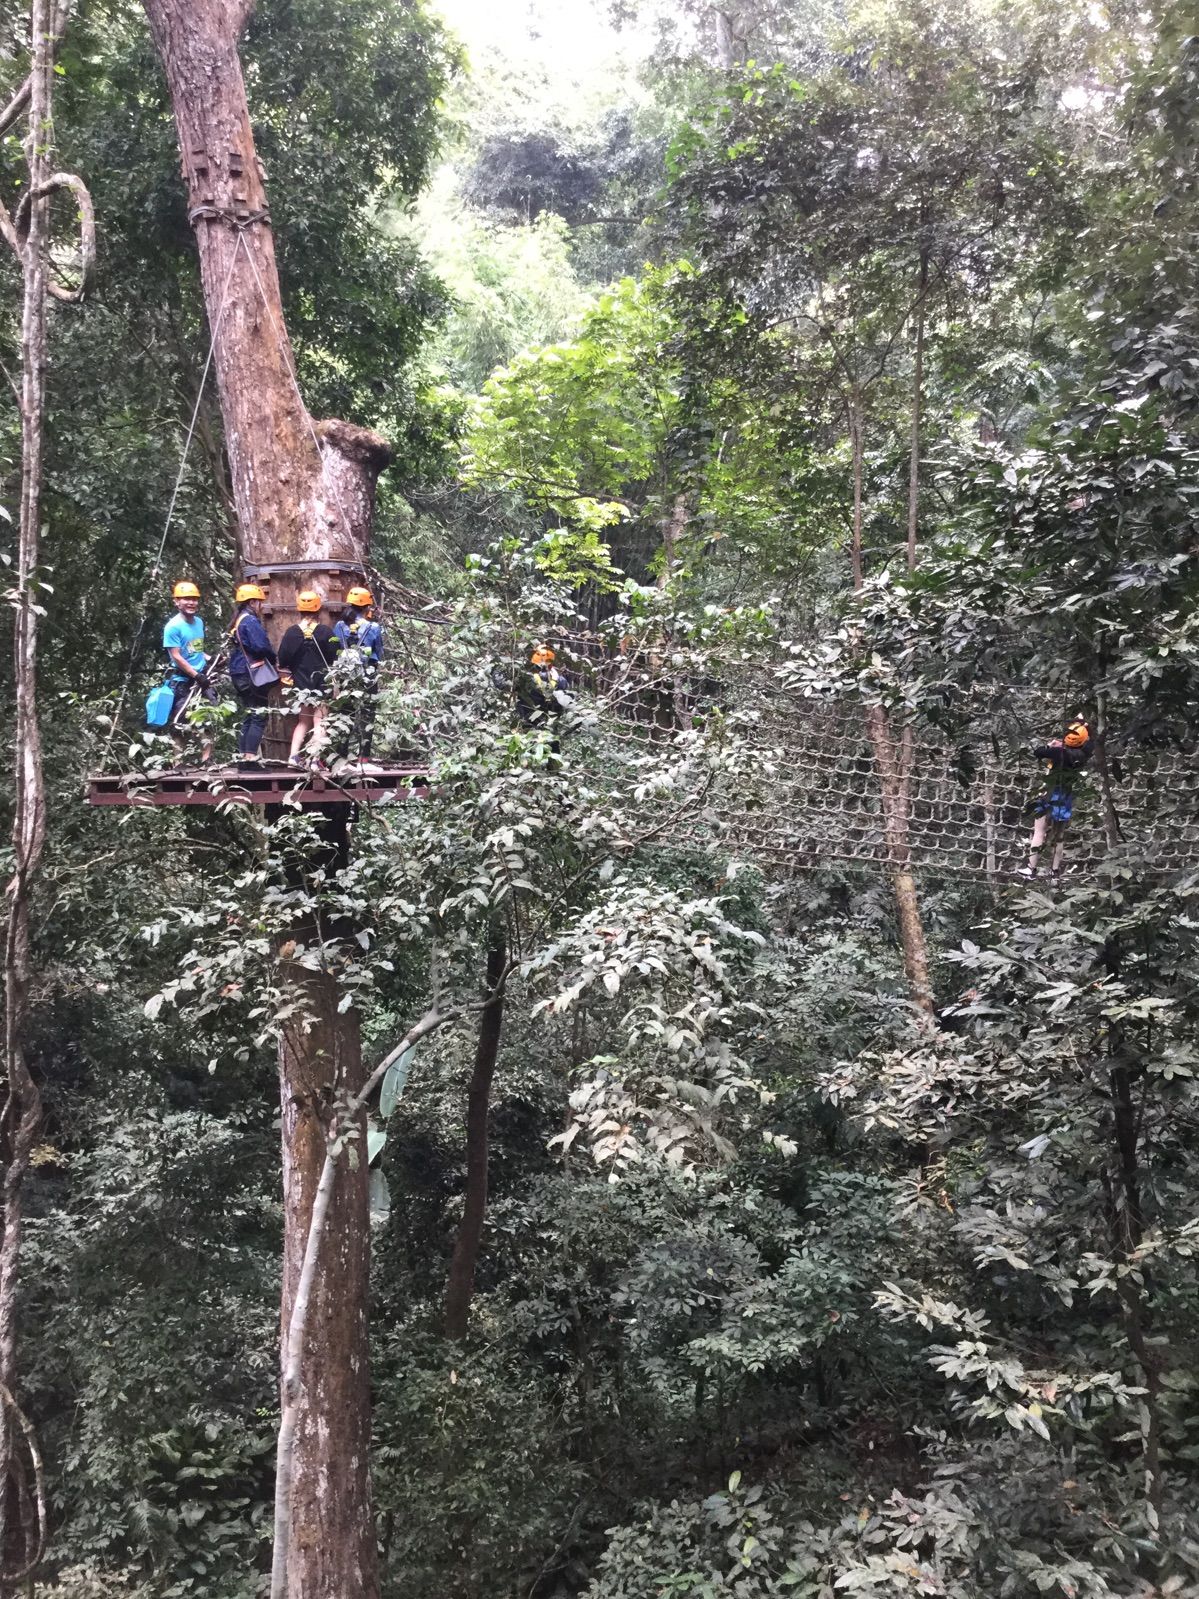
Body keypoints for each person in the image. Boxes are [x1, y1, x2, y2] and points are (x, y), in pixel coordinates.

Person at [1017, 716, 1094, 879]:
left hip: (1049, 793)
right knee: (1059, 836)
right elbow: (1087, 742)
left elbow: (1038, 752)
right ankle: (1055, 871)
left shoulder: (1058, 752)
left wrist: (1051, 745)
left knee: (1039, 832)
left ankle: (1031, 869)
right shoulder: (1083, 754)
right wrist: (1084, 727)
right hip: (1065, 796)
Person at [278, 590, 341, 767]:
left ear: (300, 610)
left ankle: (293, 757)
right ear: (318, 610)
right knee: (320, 721)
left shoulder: (291, 633)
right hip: (322, 683)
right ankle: (314, 759)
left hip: (301, 684)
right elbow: (337, 656)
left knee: (303, 722)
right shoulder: (325, 632)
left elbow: (283, 659)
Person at [163, 579, 215, 764]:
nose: (191, 602)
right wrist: (196, 675)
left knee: (207, 718)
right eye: (186, 599)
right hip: (183, 680)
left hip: (201, 679)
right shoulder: (173, 626)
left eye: (194, 599)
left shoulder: (198, 622)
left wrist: (209, 659)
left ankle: (207, 760)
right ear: (176, 601)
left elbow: (195, 649)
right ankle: (177, 762)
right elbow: (176, 656)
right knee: (180, 722)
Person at [227, 583, 278, 766]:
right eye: (259, 602)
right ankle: (249, 759)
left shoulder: (238, 620)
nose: (261, 606)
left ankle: (243, 758)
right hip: (250, 673)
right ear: (253, 602)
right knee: (259, 714)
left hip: (239, 672)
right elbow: (260, 646)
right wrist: (274, 657)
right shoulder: (249, 621)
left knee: (250, 714)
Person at [333, 585, 384, 758]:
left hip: (346, 672)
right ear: (366, 607)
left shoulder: (339, 626)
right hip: (368, 672)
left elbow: (335, 647)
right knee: (367, 714)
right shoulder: (373, 627)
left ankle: (341, 756)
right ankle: (364, 756)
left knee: (345, 712)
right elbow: (379, 652)